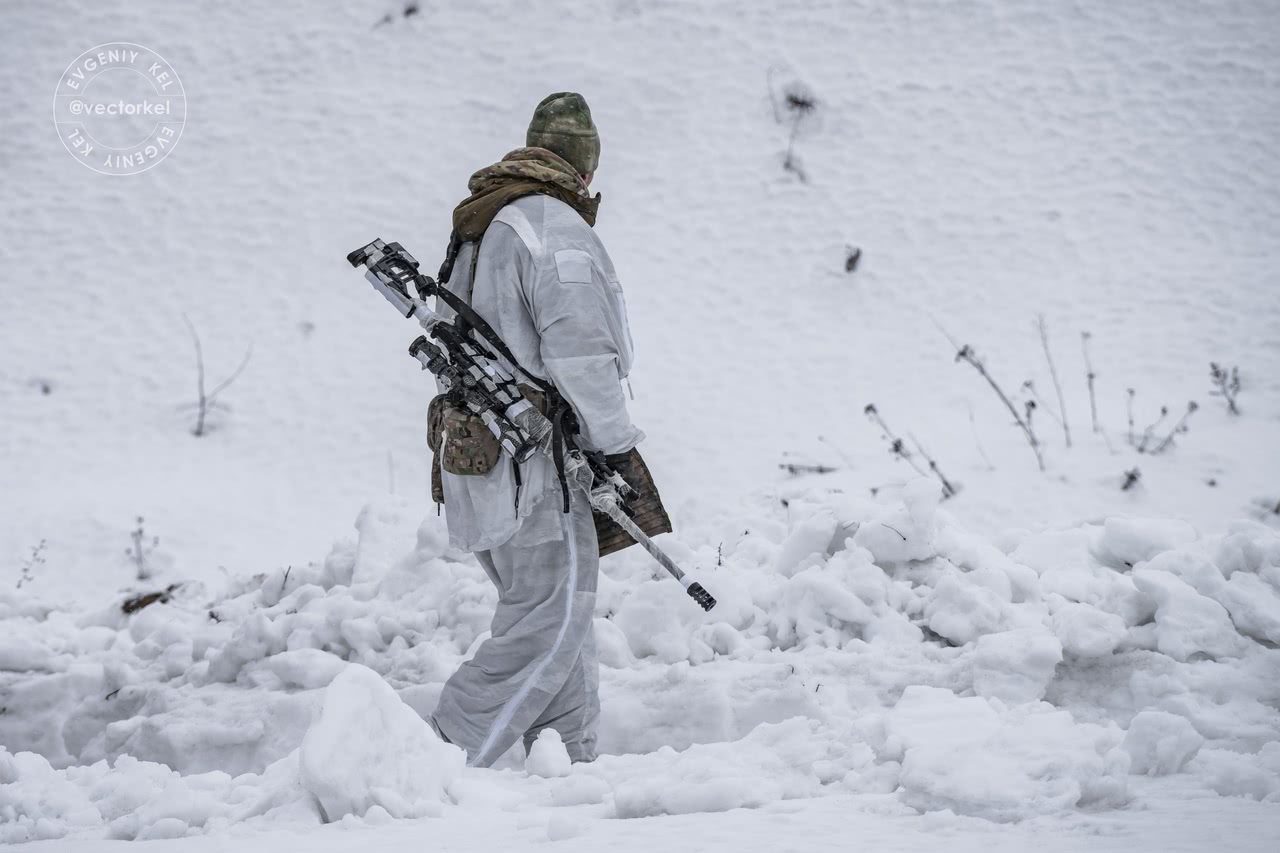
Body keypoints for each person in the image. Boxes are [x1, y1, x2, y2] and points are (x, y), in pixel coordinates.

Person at [427, 93, 659, 767]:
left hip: (481, 459)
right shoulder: (551, 225)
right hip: (536, 466)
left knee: (561, 618)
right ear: (584, 169)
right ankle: (433, 758)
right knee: (549, 623)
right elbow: (583, 353)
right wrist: (616, 445)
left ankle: (565, 767)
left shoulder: (482, 223)